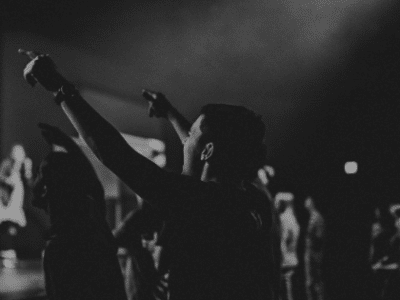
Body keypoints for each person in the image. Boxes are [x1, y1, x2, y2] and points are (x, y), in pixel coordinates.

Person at [21, 50, 274, 300]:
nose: (185, 141)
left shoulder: (200, 200)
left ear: (208, 151)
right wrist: (170, 112)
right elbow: (203, 147)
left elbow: (115, 152)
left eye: (192, 136)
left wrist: (60, 88)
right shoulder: (252, 200)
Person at [32, 123, 127, 300]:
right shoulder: (96, 228)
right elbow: (93, 185)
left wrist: (68, 144)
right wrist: (68, 144)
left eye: (40, 175)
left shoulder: (60, 251)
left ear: (49, 190)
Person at [0, 144, 32, 263]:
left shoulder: (25, 165)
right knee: (8, 223)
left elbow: (29, 181)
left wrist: (27, 168)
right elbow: (2, 178)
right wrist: (9, 181)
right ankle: (8, 249)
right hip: (8, 199)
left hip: (19, 198)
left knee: (15, 224)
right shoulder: (7, 164)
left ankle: (13, 249)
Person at [276, 192, 300, 300]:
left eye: (278, 203)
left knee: (285, 294)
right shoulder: (293, 218)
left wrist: (278, 259)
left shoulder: (284, 219)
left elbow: (282, 242)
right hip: (292, 259)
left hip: (284, 261)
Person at [303, 196, 325, 300]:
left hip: (314, 253)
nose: (305, 203)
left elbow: (319, 237)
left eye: (307, 201)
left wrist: (312, 252)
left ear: (311, 203)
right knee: (311, 282)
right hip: (311, 252)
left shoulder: (317, 218)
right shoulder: (312, 217)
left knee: (315, 280)